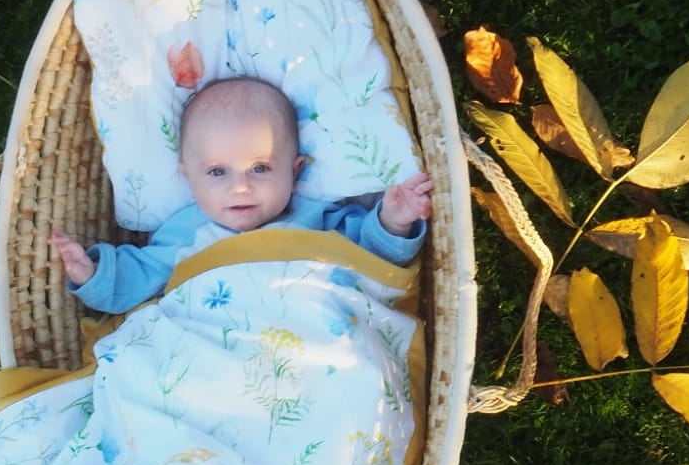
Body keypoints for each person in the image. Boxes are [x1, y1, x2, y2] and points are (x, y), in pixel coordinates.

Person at [52, 76, 433, 314]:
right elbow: (133, 279)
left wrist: (392, 221)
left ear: (294, 170)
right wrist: (92, 274)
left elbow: (370, 258)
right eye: (217, 172)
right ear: (188, 178)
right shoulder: (185, 234)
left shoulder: (317, 218)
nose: (240, 187)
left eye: (260, 168)